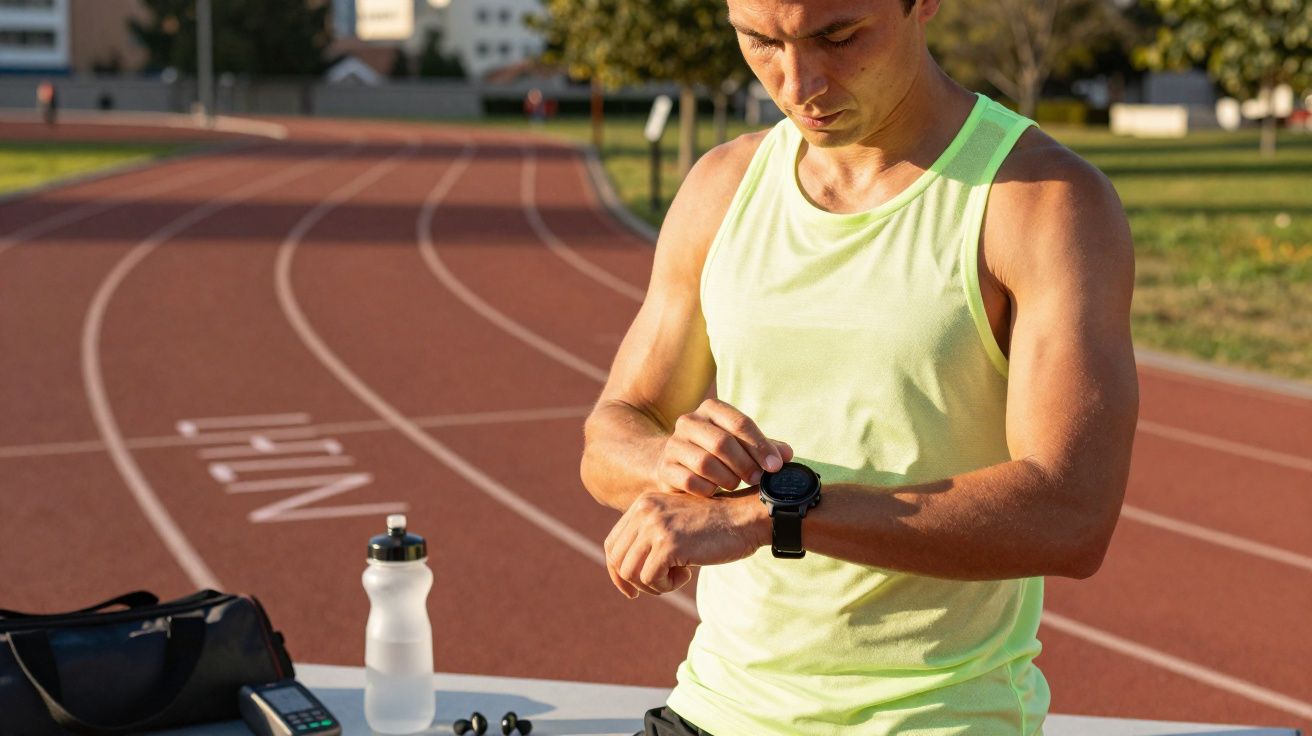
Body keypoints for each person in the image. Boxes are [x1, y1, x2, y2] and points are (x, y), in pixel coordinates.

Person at [579, 0, 1139, 734]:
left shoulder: (1043, 201)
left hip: (936, 720)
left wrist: (770, 516)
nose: (797, 81)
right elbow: (610, 438)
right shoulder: (722, 187)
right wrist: (669, 460)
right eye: (760, 40)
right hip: (714, 709)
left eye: (838, 37)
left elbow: (1071, 514)